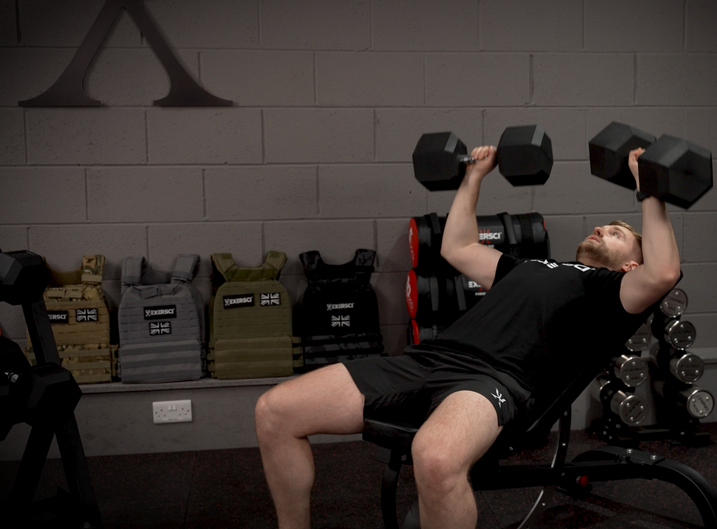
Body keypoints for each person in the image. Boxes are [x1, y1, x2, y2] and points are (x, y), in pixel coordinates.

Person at [255, 146, 681, 529]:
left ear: (631, 265)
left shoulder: (612, 292)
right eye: (605, 226)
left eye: (617, 234)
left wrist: (649, 188)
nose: (603, 230)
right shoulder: (531, 266)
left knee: (436, 458)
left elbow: (663, 272)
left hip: (491, 381)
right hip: (426, 360)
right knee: (275, 411)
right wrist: (474, 177)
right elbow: (457, 247)